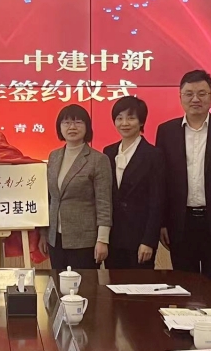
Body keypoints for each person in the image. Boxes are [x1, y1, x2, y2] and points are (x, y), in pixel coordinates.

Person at [155, 70, 211, 289]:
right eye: (189, 94)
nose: (195, 99)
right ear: (180, 97)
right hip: (180, 224)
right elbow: (161, 182)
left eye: (202, 93)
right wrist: (163, 223)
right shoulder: (166, 131)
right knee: (184, 289)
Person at [38, 104, 112, 271]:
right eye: (66, 123)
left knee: (84, 285)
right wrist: (43, 234)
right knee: (58, 283)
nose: (72, 127)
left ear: (87, 127)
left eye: (78, 122)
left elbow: (104, 203)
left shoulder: (98, 160)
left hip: (84, 241)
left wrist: (102, 240)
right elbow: (49, 198)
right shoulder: (54, 156)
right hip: (55, 239)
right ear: (60, 127)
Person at [102, 96, 165, 269]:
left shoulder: (154, 155)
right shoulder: (108, 152)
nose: (124, 123)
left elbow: (157, 202)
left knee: (140, 284)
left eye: (131, 118)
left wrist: (149, 241)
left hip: (140, 238)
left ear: (141, 121)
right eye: (119, 118)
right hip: (113, 237)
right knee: (112, 283)